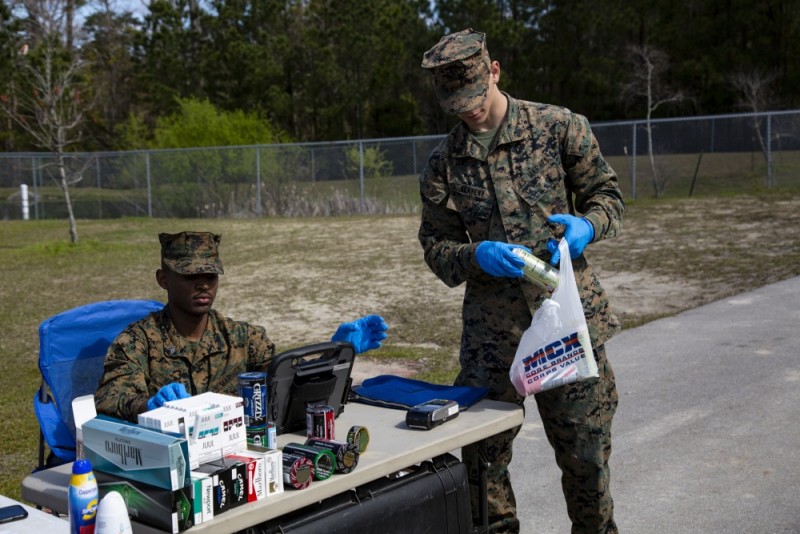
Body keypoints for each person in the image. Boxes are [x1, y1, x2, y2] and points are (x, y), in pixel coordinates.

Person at [419, 29, 624, 533]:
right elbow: (438, 249)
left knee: (586, 460)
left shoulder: (558, 127)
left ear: (495, 71)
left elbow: (607, 197)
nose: (467, 110)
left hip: (568, 324)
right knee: (481, 462)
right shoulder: (444, 163)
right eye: (455, 103)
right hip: (495, 338)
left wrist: (587, 226)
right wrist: (477, 255)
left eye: (473, 96)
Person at [95, 231, 388, 422]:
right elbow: (110, 397)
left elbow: (287, 382)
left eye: (211, 275)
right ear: (163, 280)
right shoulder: (139, 340)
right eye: (189, 276)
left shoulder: (242, 337)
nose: (203, 284)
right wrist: (150, 405)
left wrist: (333, 354)